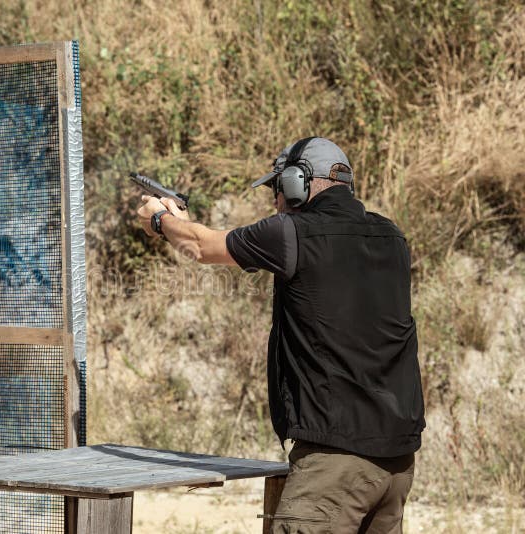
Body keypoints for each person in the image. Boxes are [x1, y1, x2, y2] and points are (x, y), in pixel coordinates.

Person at [135, 137, 426, 533]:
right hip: (397, 463)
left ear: (297, 182)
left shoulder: (292, 232)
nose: (275, 200)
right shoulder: (392, 238)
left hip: (333, 464)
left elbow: (200, 248)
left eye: (277, 188)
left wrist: (160, 220)